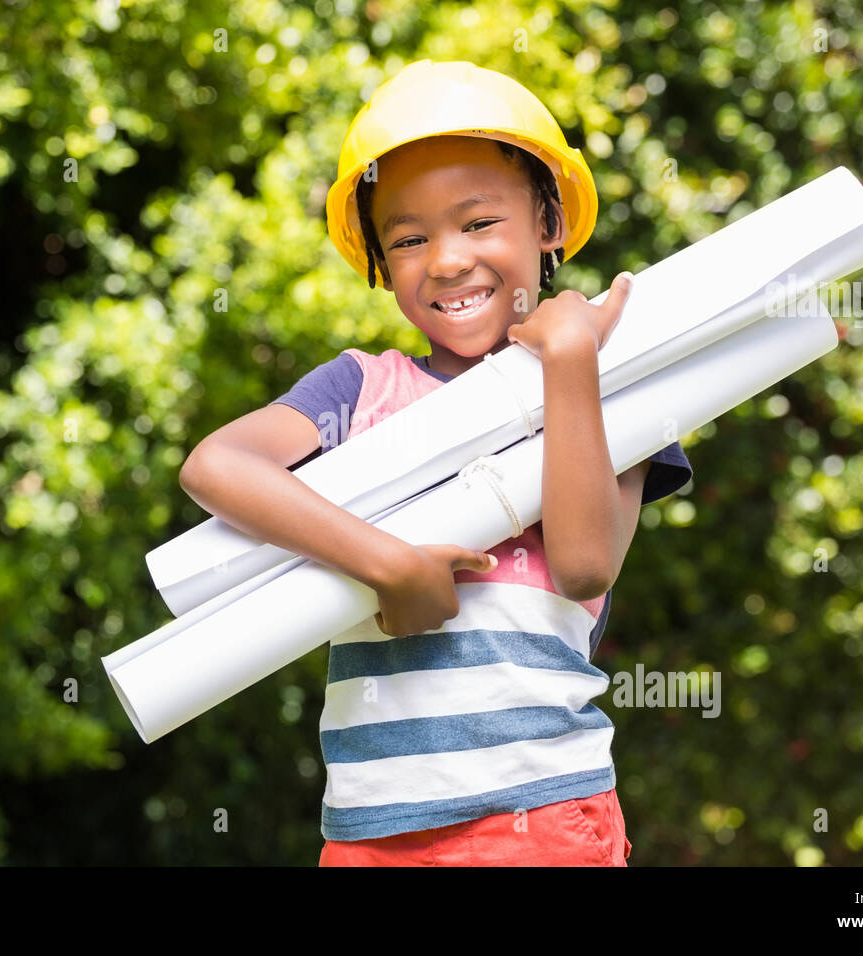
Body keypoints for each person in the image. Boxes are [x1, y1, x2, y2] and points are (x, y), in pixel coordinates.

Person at [177, 60, 693, 866]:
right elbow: (217, 466)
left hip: (541, 818)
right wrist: (386, 563)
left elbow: (588, 565)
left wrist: (567, 361)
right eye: (409, 238)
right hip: (369, 834)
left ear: (549, 222)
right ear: (381, 264)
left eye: (479, 222)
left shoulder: (608, 382)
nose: (447, 261)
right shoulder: (361, 388)